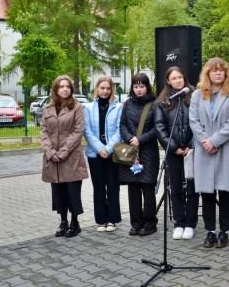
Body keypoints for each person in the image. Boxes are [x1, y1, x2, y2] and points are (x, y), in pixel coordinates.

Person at [189, 57, 229, 248]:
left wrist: (214, 141)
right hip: (204, 148)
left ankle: (224, 232)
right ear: (207, 73)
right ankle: (210, 231)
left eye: (221, 70)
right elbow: (193, 121)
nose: (218, 73)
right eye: (214, 70)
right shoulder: (197, 95)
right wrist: (206, 142)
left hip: (225, 147)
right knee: (207, 192)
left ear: (226, 73)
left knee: (225, 191)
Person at [40, 75, 89, 238]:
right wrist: (50, 152)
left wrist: (62, 153)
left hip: (71, 157)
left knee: (72, 192)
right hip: (52, 159)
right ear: (56, 89)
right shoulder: (47, 109)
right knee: (58, 192)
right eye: (61, 86)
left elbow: (78, 131)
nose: (65, 89)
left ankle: (75, 222)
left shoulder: (77, 107)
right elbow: (43, 132)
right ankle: (63, 221)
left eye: (67, 86)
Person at [154, 67, 199, 240]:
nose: (178, 80)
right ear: (168, 81)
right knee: (176, 189)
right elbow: (160, 126)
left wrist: (190, 146)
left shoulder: (194, 96)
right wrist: (172, 147)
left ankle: (190, 224)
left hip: (191, 151)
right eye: (174, 78)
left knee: (192, 189)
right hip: (173, 152)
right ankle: (179, 223)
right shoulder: (163, 101)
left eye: (181, 77)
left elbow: (198, 123)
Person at [119, 73, 160, 237]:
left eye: (142, 86)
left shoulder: (155, 104)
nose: (139, 89)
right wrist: (129, 138)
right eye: (136, 86)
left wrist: (140, 139)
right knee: (133, 188)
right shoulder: (127, 104)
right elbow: (122, 124)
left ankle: (150, 223)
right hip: (131, 153)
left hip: (148, 152)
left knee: (148, 187)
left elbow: (157, 128)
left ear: (147, 87)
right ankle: (135, 223)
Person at [83, 75, 123, 232]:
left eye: (108, 88)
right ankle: (101, 220)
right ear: (97, 89)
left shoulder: (118, 107)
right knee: (98, 187)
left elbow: (120, 130)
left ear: (111, 90)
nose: (105, 91)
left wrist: (108, 149)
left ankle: (112, 220)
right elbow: (86, 130)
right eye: (102, 88)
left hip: (112, 154)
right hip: (95, 154)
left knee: (113, 186)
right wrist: (100, 149)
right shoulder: (88, 108)